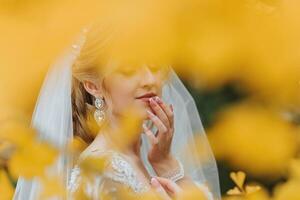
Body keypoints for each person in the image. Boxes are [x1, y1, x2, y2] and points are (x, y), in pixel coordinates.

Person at [13, 27, 221, 200]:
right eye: (129, 69)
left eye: (155, 65)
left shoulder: (147, 159)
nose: (149, 79)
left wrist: (166, 165)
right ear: (93, 87)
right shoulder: (100, 175)